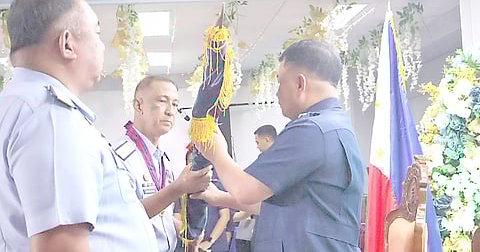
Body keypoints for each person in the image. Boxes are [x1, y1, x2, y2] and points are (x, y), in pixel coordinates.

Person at [0, 0, 160, 251]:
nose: (101, 45)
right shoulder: (51, 118)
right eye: (97, 33)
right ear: (67, 44)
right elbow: (60, 245)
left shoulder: (15, 104)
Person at [193, 39, 365, 252]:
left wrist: (216, 151)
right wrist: (219, 197)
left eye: (280, 82)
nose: (276, 93)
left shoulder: (311, 129)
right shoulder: (335, 126)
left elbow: (245, 190)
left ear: (300, 84)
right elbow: (285, 207)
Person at [114, 76, 211, 252]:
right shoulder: (118, 156)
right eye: (162, 101)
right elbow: (125, 216)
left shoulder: (162, 159)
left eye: (175, 104)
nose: (170, 111)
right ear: (138, 105)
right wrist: (179, 188)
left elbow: (160, 216)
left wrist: (185, 233)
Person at [235, 125, 277, 252]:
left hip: (268, 217)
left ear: (267, 139)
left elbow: (246, 179)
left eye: (258, 142)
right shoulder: (283, 157)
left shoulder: (266, 161)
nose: (257, 146)